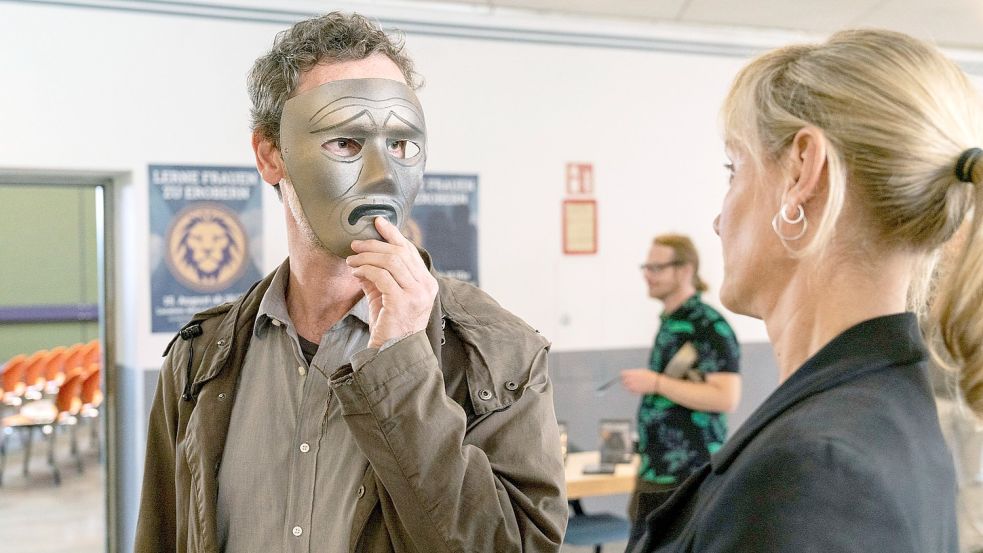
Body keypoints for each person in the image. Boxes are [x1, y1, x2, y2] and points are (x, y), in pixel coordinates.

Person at [135, 12, 567, 553]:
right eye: (345, 142)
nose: (383, 176)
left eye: (402, 145)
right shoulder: (202, 360)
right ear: (271, 155)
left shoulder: (499, 354)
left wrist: (403, 367)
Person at [630, 29, 983, 553]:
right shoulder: (878, 412)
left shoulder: (815, 471)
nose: (717, 220)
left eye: (735, 170)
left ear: (802, 171)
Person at [619, 234, 741, 536]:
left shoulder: (708, 325)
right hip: (655, 469)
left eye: (656, 268)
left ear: (685, 270)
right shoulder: (670, 322)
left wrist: (657, 383)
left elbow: (726, 397)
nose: (648, 275)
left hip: (688, 474)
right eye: (646, 267)